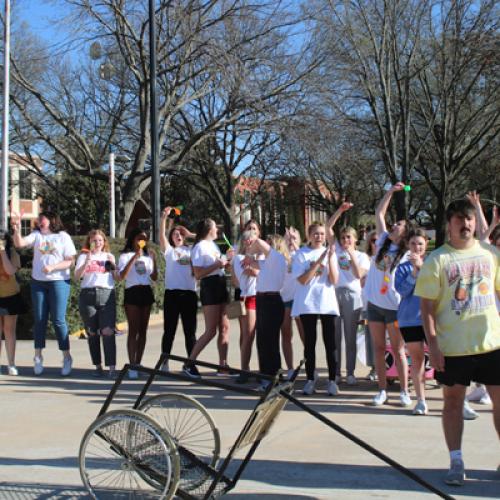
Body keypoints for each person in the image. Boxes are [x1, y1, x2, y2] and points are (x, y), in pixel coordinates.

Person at [415, 199, 500, 486]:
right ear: (449, 223)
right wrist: (434, 346)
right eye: (460, 219)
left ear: (476, 222)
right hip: (453, 347)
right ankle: (456, 460)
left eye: (470, 219)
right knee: (453, 403)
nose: (466, 224)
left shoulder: (490, 254)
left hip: (491, 344)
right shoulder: (437, 259)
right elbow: (426, 308)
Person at [11, 211, 76, 376]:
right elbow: (19, 244)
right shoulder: (37, 235)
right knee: (39, 320)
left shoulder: (63, 236)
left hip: (58, 282)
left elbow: (70, 260)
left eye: (43, 218)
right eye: (39, 219)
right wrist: (17, 228)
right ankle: (38, 357)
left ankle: (67, 357)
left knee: (58, 320)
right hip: (38, 282)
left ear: (52, 219)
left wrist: (53, 267)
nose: (40, 221)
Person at [364, 183, 411, 406]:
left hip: (394, 308)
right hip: (374, 305)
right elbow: (379, 212)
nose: (394, 225)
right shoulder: (382, 241)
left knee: (399, 350)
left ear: (406, 234)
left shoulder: (407, 253)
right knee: (379, 349)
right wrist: (391, 192)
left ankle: (404, 390)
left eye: (399, 225)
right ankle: (382, 390)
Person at [292, 222, 340, 396]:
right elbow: (302, 280)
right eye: (316, 234)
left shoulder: (330, 254)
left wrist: (330, 261)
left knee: (330, 343)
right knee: (309, 343)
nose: (319, 237)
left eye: (322, 234)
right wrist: (319, 262)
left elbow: (334, 280)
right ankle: (310, 379)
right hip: (308, 302)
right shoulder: (301, 254)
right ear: (309, 235)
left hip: (327, 303)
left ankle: (332, 380)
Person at [326, 202, 370, 385]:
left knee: (350, 337)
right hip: (335, 294)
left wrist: (351, 254)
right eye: (343, 238)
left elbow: (359, 274)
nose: (345, 241)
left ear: (355, 239)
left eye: (349, 238)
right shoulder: (335, 249)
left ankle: (350, 372)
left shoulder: (361, 256)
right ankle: (336, 372)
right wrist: (340, 211)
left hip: (353, 296)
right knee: (335, 337)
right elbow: (328, 227)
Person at [183, 218, 232, 378]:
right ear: (208, 229)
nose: (217, 229)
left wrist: (226, 262)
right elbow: (197, 274)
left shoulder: (214, 245)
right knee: (211, 330)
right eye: (214, 227)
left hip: (220, 283)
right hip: (209, 286)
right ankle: (189, 363)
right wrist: (217, 265)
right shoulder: (199, 247)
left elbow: (218, 265)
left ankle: (223, 365)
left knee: (225, 327)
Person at [244, 234, 288, 389]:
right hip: (263, 300)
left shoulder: (276, 258)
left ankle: (272, 378)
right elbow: (254, 263)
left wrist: (251, 250)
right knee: (263, 341)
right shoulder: (269, 262)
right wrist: (249, 256)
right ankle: (267, 377)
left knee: (269, 342)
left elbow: (258, 242)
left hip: (271, 301)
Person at [395, 228, 429, 415]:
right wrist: (414, 272)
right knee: (417, 360)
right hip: (409, 319)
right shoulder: (402, 267)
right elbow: (403, 291)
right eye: (413, 243)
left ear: (426, 245)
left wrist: (422, 267)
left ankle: (457, 400)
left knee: (442, 359)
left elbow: (436, 286)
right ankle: (421, 400)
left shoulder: (432, 263)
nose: (416, 247)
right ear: (408, 245)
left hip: (430, 319)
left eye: (420, 244)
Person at [74, 230, 117, 378]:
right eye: (94, 240)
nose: (97, 243)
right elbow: (77, 276)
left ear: (104, 242)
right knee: (92, 333)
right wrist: (87, 261)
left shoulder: (108, 256)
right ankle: (98, 366)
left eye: (100, 240)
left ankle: (112, 367)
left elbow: (116, 277)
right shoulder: (82, 256)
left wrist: (113, 266)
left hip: (106, 294)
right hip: (88, 295)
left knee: (107, 331)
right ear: (89, 242)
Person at [159, 207, 197, 371]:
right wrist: (164, 218)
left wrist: (189, 234)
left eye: (181, 234)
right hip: (172, 294)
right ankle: (165, 361)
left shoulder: (192, 250)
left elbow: (205, 239)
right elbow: (161, 235)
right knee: (169, 330)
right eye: (175, 234)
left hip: (189, 294)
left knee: (190, 332)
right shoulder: (169, 251)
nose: (179, 236)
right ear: (171, 238)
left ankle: (190, 363)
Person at [117, 228, 157, 379]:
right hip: (132, 292)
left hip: (145, 291)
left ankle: (138, 362)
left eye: (144, 239)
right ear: (133, 239)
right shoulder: (125, 255)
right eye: (139, 238)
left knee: (143, 330)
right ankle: (132, 364)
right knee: (133, 330)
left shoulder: (148, 256)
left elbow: (154, 276)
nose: (142, 241)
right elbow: (122, 275)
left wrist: (153, 260)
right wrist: (134, 257)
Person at [232, 229, 260, 384]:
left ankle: (253, 368)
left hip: (259, 297)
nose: (250, 242)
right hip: (248, 297)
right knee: (248, 336)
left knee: (257, 337)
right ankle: (244, 369)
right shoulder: (240, 258)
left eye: (253, 239)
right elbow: (254, 272)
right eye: (247, 240)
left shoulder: (259, 256)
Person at [0, 229, 26, 375]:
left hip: (10, 295)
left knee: (9, 331)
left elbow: (10, 271)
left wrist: (3, 252)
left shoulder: (12, 253)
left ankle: (11, 364)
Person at [280, 226, 304, 379]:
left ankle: (310, 365)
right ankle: (289, 368)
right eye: (288, 238)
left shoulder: (302, 254)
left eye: (294, 238)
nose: (290, 241)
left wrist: (296, 246)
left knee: (305, 334)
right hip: (284, 299)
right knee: (286, 334)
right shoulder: (281, 255)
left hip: (300, 299)